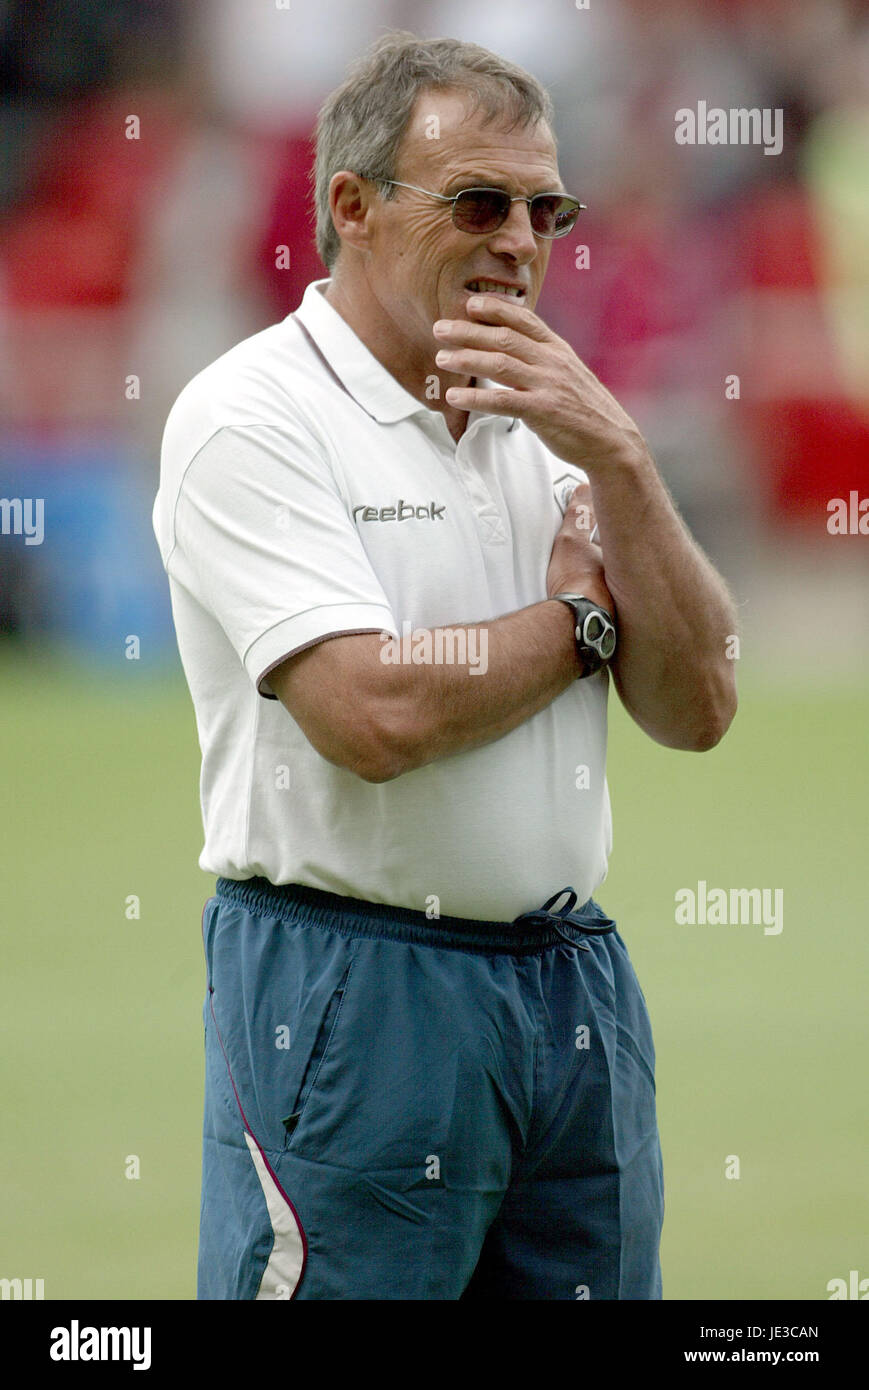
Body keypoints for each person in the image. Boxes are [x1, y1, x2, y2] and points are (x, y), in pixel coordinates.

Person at [152, 31, 737, 1301]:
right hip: (351, 987)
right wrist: (580, 622)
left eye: (545, 208)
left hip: (573, 983)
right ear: (351, 207)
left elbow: (697, 709)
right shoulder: (249, 414)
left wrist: (625, 462)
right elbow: (369, 708)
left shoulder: (560, 424)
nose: (521, 240)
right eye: (478, 201)